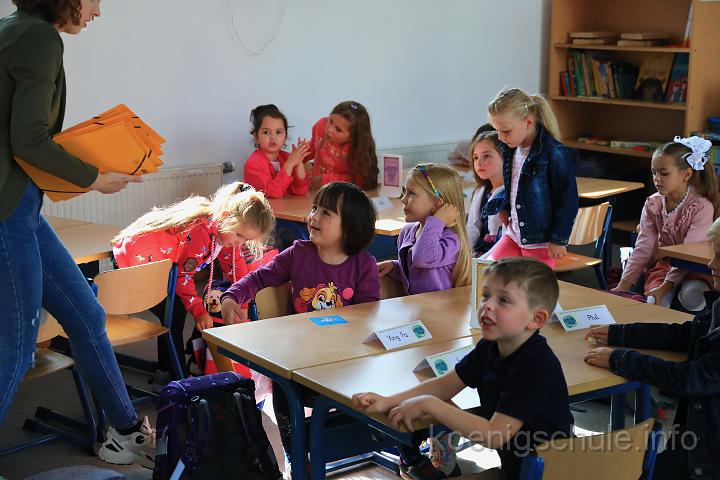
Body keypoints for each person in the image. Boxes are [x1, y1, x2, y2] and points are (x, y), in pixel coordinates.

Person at [0, 0, 162, 468]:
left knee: (86, 313)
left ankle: (125, 432)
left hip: (22, 207)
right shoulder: (39, 37)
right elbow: (28, 139)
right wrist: (94, 177)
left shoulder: (15, 28)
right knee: (16, 351)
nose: (96, 11)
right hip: (8, 210)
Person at [353, 258, 573, 480]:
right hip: (517, 473)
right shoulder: (490, 347)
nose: (487, 305)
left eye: (504, 300)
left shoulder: (535, 365)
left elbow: (493, 435)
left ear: (536, 319)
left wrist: (428, 404)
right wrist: (387, 401)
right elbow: (443, 386)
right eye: (486, 295)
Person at [219, 181, 381, 476]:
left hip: (345, 362)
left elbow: (367, 316)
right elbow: (258, 278)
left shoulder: (364, 265)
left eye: (326, 212)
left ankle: (375, 444)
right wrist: (231, 297)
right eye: (315, 208)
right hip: (302, 362)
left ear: (350, 227)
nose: (314, 216)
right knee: (283, 385)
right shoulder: (298, 253)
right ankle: (295, 453)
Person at [585, 217, 720, 480]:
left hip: (707, 461)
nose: (712, 264)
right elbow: (684, 334)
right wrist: (619, 333)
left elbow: (692, 378)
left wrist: (621, 359)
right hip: (696, 447)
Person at [112, 182, 275, 383]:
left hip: (159, 268)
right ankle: (176, 378)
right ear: (226, 217)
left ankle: (166, 371)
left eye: (245, 240)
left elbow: (235, 267)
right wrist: (199, 311)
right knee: (175, 313)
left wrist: (243, 299)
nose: (239, 243)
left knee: (174, 314)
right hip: (135, 265)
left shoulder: (225, 230)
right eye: (239, 236)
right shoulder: (202, 232)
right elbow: (182, 277)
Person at [612, 136, 719, 310]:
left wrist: (667, 285)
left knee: (693, 296)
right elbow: (643, 247)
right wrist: (623, 285)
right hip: (665, 265)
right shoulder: (652, 204)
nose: (657, 179)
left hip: (695, 268)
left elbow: (688, 254)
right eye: (654, 173)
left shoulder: (701, 207)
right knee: (654, 301)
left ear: (687, 174)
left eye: (664, 173)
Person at [484, 87, 578, 268]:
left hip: (540, 242)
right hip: (514, 236)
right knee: (488, 272)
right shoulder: (511, 150)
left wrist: (559, 238)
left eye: (506, 131)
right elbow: (515, 187)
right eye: (497, 131)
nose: (500, 137)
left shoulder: (553, 152)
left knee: (534, 285)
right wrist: (506, 206)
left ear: (528, 122)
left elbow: (568, 200)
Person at [378, 164, 471, 295]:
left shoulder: (452, 240)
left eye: (411, 193)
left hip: (443, 307)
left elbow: (422, 258)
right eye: (405, 192)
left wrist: (438, 220)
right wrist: (395, 267)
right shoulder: (407, 232)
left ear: (436, 204)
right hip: (419, 305)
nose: (403, 199)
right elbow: (418, 274)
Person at [242, 104, 311, 198]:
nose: (273, 137)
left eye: (278, 132)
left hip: (287, 207)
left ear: (285, 136)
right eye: (266, 132)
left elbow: (301, 190)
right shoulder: (252, 164)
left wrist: (299, 161)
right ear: (256, 137)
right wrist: (290, 164)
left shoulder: (287, 157)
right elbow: (273, 193)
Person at [307, 101, 379, 190]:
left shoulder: (357, 149)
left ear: (353, 137)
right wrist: (298, 156)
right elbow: (313, 147)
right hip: (316, 192)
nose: (329, 129)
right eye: (330, 121)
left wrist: (325, 180)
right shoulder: (321, 125)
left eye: (338, 130)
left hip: (341, 193)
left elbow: (360, 180)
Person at [466, 126, 506, 257]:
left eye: (487, 156)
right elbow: (472, 229)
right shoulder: (480, 191)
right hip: (480, 254)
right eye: (476, 157)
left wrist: (481, 262)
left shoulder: (511, 194)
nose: (479, 162)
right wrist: (466, 255)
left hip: (500, 256)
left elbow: (506, 239)